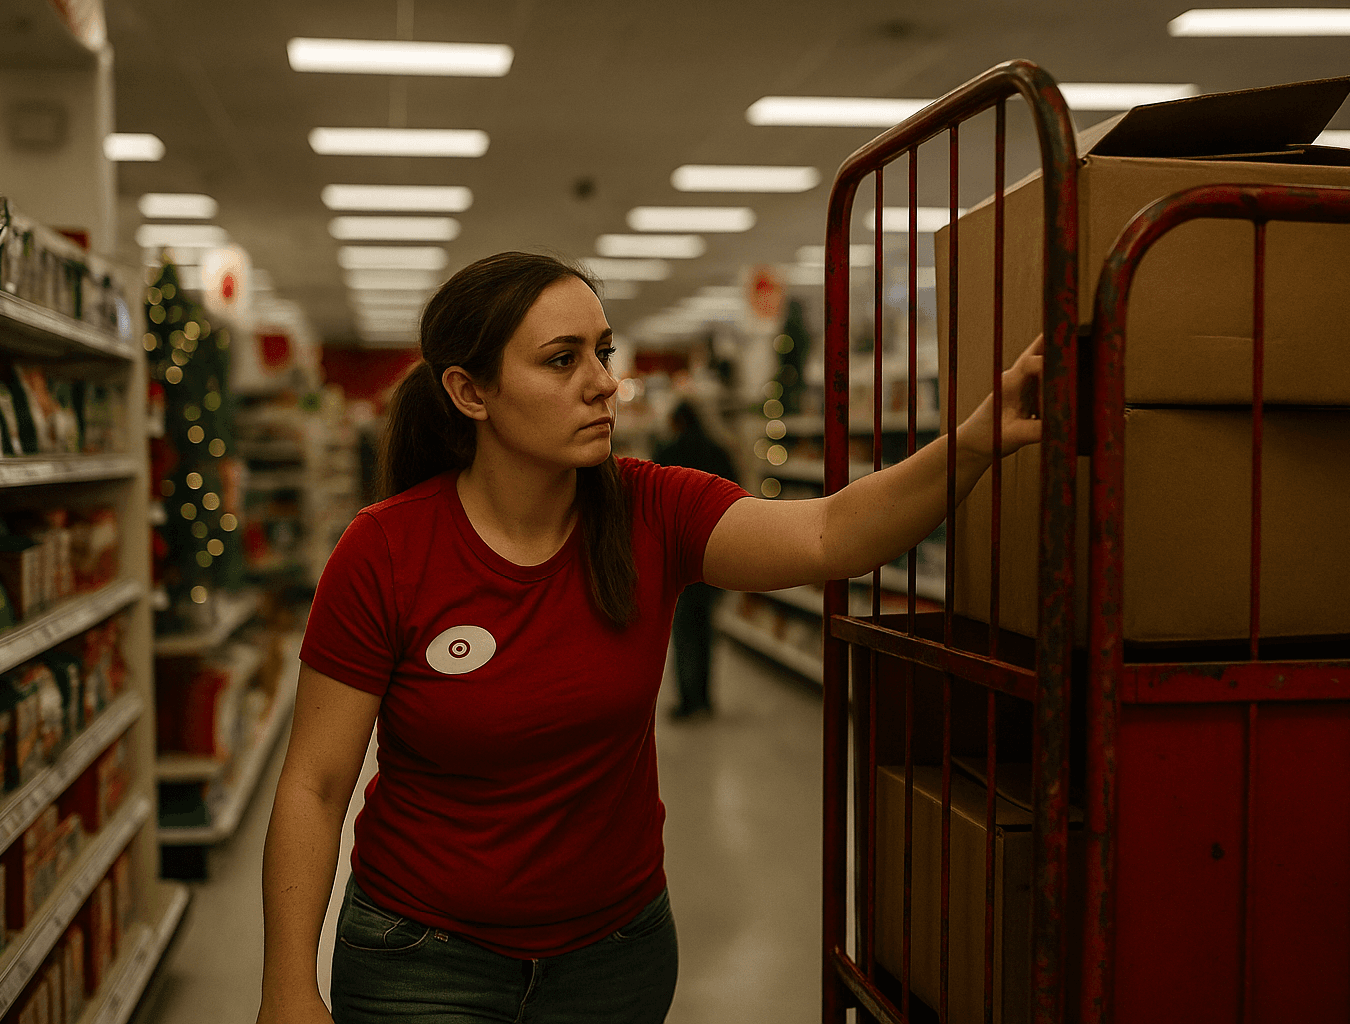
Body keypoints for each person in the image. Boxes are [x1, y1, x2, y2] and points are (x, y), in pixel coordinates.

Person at [255, 252, 1042, 1024]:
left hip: (615, 958)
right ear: (470, 391)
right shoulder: (386, 551)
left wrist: (972, 442)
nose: (603, 382)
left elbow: (832, 533)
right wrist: (289, 988)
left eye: (603, 353)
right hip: (422, 960)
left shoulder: (653, 511)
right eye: (561, 361)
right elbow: (314, 785)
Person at [651, 401, 736, 720]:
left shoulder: (669, 451)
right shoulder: (718, 449)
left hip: (679, 555)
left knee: (684, 631)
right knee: (705, 632)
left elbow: (655, 503)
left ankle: (689, 700)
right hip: (715, 554)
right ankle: (705, 697)